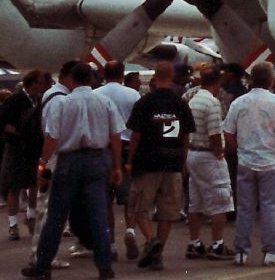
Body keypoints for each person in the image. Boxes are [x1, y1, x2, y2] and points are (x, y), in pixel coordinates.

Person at [21, 61, 124, 280]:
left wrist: (42, 163)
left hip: (69, 160)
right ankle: (105, 267)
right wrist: (116, 166)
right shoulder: (104, 102)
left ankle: (43, 266)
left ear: (72, 79)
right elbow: (115, 136)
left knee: (56, 216)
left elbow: (52, 137)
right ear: (91, 79)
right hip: (97, 160)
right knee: (98, 215)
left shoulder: (63, 104)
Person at [223, 61, 275, 267]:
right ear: (272, 80)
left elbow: (228, 131)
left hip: (246, 160)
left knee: (245, 207)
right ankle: (271, 251)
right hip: (271, 162)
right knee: (270, 207)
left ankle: (241, 252)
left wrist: (237, 150)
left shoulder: (239, 102)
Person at [122, 61, 193, 271]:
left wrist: (129, 160)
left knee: (139, 207)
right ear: (172, 77)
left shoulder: (145, 102)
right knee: (168, 212)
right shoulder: (180, 103)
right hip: (172, 162)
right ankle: (158, 254)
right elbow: (186, 135)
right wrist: (182, 159)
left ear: (154, 76)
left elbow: (136, 135)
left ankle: (151, 239)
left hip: (147, 162)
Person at [181, 67, 234, 261]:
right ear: (217, 83)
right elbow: (214, 134)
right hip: (208, 155)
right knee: (220, 198)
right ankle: (217, 244)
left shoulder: (194, 99)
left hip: (193, 153)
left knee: (196, 201)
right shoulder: (212, 103)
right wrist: (219, 152)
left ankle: (195, 242)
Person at [94, 61, 142, 264]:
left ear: (105, 74)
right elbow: (139, 126)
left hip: (103, 149)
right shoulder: (133, 95)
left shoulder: (96, 94)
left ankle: (110, 244)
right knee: (129, 197)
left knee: (106, 201)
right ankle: (130, 229)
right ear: (123, 74)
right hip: (127, 149)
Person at [2, 70, 50, 241]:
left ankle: (31, 217)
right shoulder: (14, 100)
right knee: (14, 187)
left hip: (33, 149)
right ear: (32, 83)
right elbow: (4, 123)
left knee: (33, 184)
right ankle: (12, 225)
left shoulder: (39, 100)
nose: (42, 86)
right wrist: (20, 135)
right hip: (17, 148)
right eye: (40, 83)